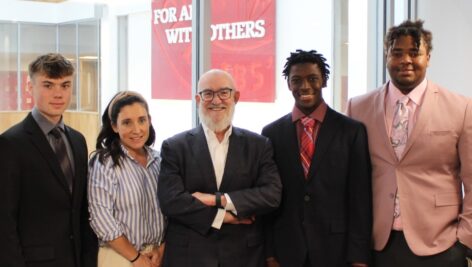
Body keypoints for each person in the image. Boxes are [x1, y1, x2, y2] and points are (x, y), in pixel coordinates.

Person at [346, 20, 472, 267]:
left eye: (414, 53)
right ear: (386, 55)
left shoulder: (461, 108)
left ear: (429, 57)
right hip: (378, 244)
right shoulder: (358, 108)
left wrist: (465, 240)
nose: (406, 60)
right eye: (397, 52)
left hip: (441, 244)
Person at [157, 69, 282, 267]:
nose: (216, 101)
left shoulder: (259, 145)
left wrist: (219, 199)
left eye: (224, 92)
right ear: (198, 99)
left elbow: (271, 195)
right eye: (208, 94)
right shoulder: (174, 146)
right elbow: (171, 201)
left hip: (244, 256)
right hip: (189, 256)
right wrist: (225, 217)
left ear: (236, 97)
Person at [262, 49, 372, 267]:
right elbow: (268, 199)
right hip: (286, 251)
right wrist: (269, 252)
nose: (305, 86)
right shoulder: (271, 133)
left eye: (312, 79)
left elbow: (360, 198)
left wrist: (359, 257)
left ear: (324, 81)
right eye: (296, 80)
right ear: (288, 84)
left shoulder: (351, 131)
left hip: (336, 250)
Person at [0, 53, 98, 267]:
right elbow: (4, 222)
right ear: (30, 86)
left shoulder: (78, 140)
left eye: (65, 85)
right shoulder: (10, 144)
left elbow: (82, 210)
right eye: (48, 85)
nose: (58, 94)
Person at [88, 91, 166, 267]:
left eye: (141, 120)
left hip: (156, 257)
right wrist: (136, 258)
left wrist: (161, 250)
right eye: (126, 122)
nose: (136, 129)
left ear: (149, 120)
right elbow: (101, 218)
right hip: (119, 258)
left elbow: (171, 211)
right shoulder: (104, 163)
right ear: (114, 126)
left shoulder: (161, 161)